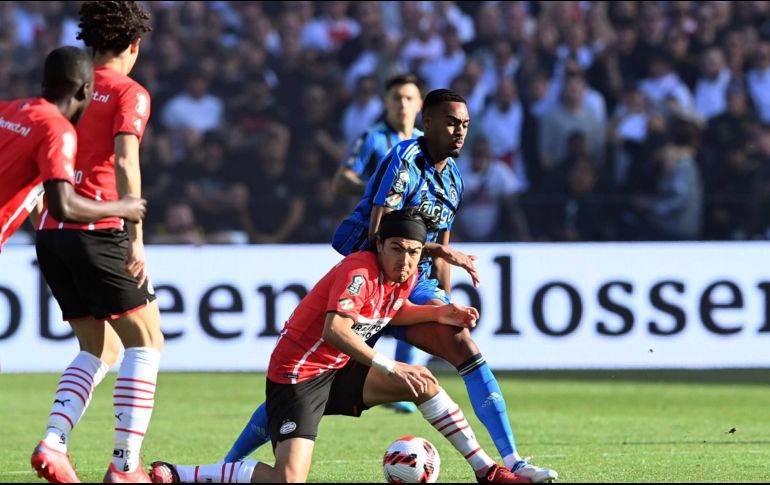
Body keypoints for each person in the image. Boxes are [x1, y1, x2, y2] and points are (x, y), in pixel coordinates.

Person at [223, 89, 558, 483]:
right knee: (308, 381)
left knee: (463, 344)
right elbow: (378, 232)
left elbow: (442, 249)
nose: (459, 132)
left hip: (413, 285)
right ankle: (228, 463)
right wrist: (432, 250)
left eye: (465, 125)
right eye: (451, 122)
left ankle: (510, 462)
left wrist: (444, 299)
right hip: (375, 281)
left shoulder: (452, 179)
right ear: (427, 121)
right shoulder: (403, 160)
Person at [149, 209, 527, 484]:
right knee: (287, 480)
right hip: (297, 374)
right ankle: (178, 474)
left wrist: (442, 313)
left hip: (338, 369)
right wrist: (390, 366)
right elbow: (335, 330)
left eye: (413, 252)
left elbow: (390, 313)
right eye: (397, 249)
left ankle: (487, 470)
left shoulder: (404, 275)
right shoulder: (359, 271)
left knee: (424, 382)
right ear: (379, 244)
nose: (406, 259)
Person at [31, 2, 163, 483]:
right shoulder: (130, 92)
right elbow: (126, 162)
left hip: (52, 233)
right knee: (147, 341)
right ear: (134, 45)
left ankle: (54, 443)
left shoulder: (68, 90)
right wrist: (136, 237)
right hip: (99, 229)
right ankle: (125, 467)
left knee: (99, 347)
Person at [332, 72, 424, 414]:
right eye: (396, 97)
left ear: (418, 104)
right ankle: (344, 379)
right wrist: (378, 188)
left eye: (408, 98)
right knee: (364, 317)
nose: (402, 104)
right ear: (386, 102)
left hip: (412, 244)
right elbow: (341, 180)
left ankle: (401, 386)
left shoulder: (423, 144)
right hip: (375, 246)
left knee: (411, 311)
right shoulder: (372, 138)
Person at [0, 46, 146, 253]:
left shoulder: (8, 111)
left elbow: (29, 184)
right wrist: (123, 208)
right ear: (85, 91)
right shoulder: (57, 130)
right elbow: (63, 206)